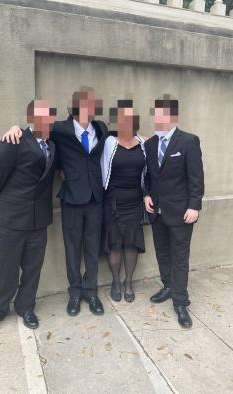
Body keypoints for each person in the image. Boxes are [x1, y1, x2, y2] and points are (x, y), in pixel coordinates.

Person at [1, 87, 108, 317]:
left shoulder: (101, 127)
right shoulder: (60, 128)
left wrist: (143, 138)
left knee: (92, 247)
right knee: (72, 247)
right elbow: (36, 131)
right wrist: (15, 129)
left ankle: (91, 292)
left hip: (95, 199)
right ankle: (75, 293)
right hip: (71, 198)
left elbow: (120, 138)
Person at [0, 99, 57, 338]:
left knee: (33, 268)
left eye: (50, 115)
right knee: (5, 269)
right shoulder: (14, 140)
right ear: (32, 117)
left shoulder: (52, 146)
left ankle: (26, 307)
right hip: (9, 220)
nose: (48, 120)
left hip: (38, 222)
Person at [144, 94, 204, 328]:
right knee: (163, 253)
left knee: (179, 258)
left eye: (165, 113)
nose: (160, 117)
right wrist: (146, 194)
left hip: (181, 213)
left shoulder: (188, 141)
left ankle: (180, 301)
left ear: (174, 116)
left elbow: (196, 178)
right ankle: (168, 286)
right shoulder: (150, 144)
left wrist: (194, 206)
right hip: (157, 212)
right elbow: (148, 176)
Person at [101, 100, 147, 302]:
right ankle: (115, 282)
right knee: (115, 244)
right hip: (113, 202)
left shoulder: (144, 143)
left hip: (135, 201)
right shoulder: (108, 143)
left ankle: (128, 282)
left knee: (131, 243)